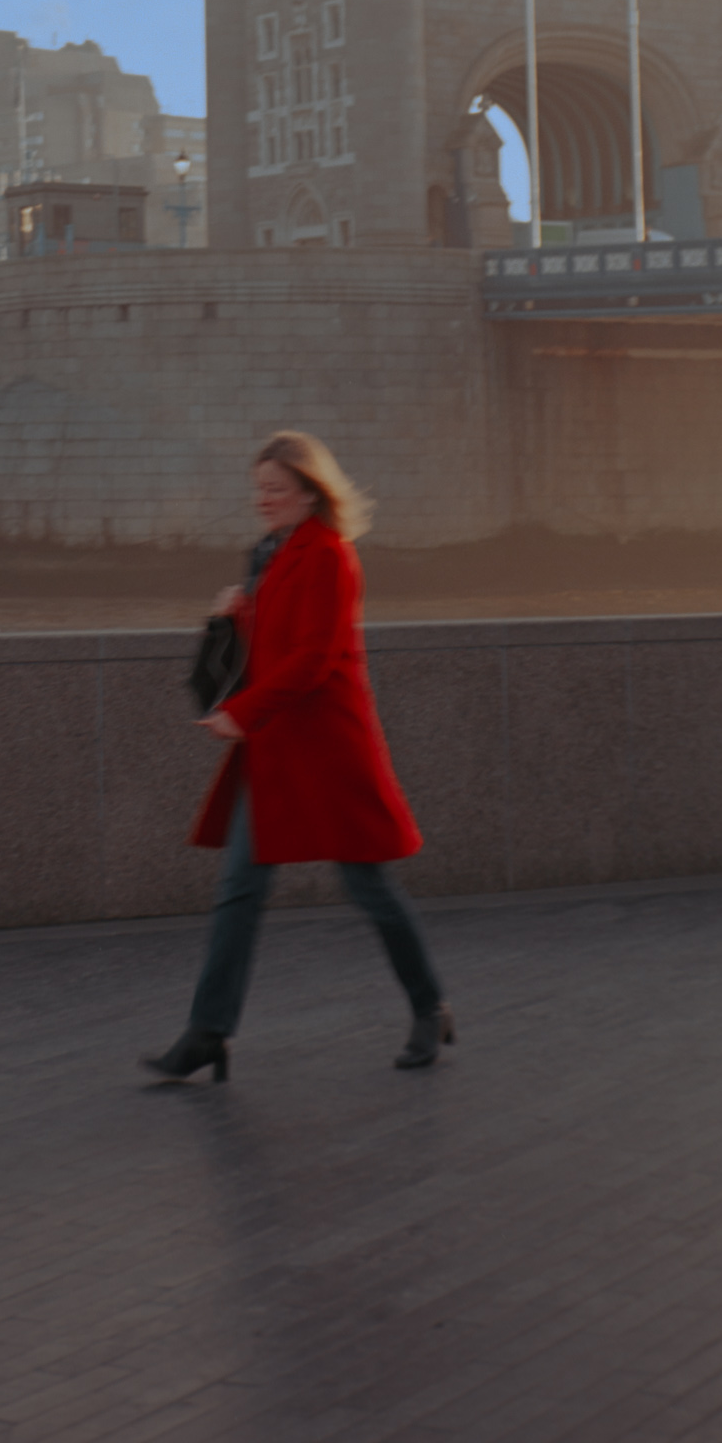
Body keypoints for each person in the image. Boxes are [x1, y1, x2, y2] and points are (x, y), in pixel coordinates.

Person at [144, 429, 454, 1082]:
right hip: (278, 747)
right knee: (238, 890)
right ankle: (208, 1033)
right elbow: (274, 647)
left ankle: (430, 1008)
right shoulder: (271, 554)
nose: (263, 499)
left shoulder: (332, 556)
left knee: (368, 887)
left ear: (311, 493)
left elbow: (314, 658)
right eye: (258, 489)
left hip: (328, 748)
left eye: (276, 489)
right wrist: (230, 614)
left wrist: (241, 713)